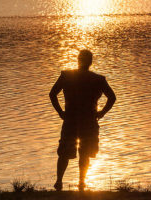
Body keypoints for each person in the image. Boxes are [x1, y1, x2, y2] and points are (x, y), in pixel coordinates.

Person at [49, 50, 116, 191]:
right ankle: (80, 183)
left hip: (70, 119)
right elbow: (112, 97)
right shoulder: (98, 79)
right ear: (90, 62)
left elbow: (52, 94)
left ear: (78, 60)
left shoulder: (66, 76)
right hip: (89, 120)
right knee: (84, 152)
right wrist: (102, 112)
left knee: (64, 153)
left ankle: (59, 182)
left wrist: (61, 112)